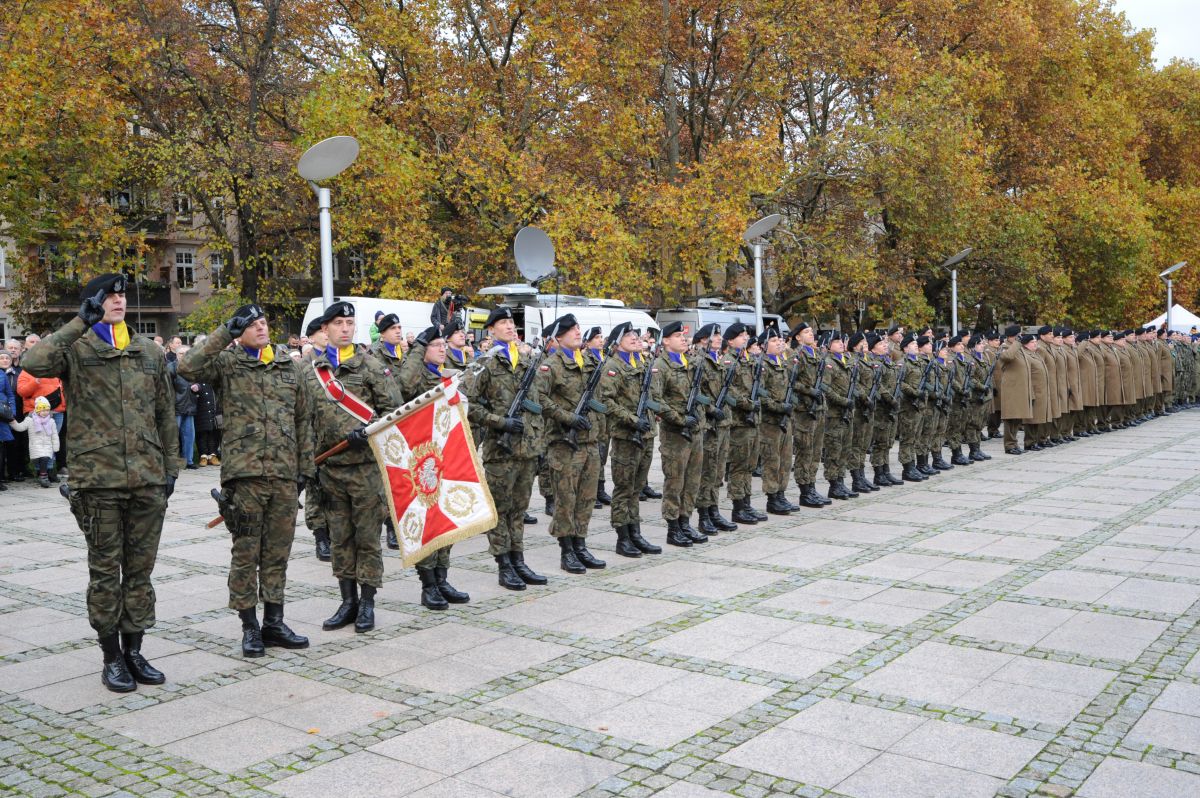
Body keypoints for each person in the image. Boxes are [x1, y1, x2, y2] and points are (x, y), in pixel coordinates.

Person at [23, 273, 179, 693]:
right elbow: (34, 363)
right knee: (106, 571)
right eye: (108, 296)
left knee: (140, 571)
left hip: (146, 478)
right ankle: (111, 656)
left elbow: (165, 412)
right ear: (93, 303)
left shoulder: (148, 350)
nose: (118, 300)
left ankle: (135, 650)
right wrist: (79, 322)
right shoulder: (77, 348)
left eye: (121, 294)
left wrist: (171, 468)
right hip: (97, 481)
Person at [180, 304, 314, 656]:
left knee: (277, 553)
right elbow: (187, 366)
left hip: (284, 475)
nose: (261, 328)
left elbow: (303, 419)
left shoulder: (289, 366)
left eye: (263, 322)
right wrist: (227, 331)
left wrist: (305, 469)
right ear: (241, 332)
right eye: (252, 325)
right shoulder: (228, 363)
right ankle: (249, 626)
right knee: (246, 553)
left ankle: (274, 622)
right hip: (245, 476)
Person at [304, 301, 402, 633]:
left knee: (367, 538)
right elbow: (302, 418)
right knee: (340, 539)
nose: (345, 328)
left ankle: (368, 602)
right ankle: (348, 601)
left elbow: (394, 413)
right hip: (330, 470)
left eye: (349, 323)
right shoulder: (311, 370)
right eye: (338, 323)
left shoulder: (371, 366)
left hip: (365, 469)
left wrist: (369, 432)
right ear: (325, 329)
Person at [464, 306, 552, 588]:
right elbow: (468, 404)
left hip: (526, 449)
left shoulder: (526, 361)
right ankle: (503, 563)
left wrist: (538, 444)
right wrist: (500, 422)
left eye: (511, 322)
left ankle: (518, 559)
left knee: (519, 509)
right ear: (490, 330)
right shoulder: (485, 363)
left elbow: (537, 406)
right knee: (500, 509)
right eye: (503, 323)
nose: (510, 326)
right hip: (500, 451)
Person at [400, 326, 471, 610]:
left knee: (445, 519)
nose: (443, 349)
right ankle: (428, 584)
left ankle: (442, 578)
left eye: (444, 344)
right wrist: (417, 349)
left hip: (447, 457)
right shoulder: (416, 375)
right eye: (436, 345)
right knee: (427, 523)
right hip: (422, 460)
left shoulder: (448, 376)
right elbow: (404, 388)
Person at [538, 314, 606, 573]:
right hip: (565, 443)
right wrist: (568, 418)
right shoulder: (551, 365)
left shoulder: (589, 361)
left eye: (578, 328)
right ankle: (567, 550)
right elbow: (540, 399)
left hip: (590, 441)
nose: (577, 332)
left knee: (586, 498)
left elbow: (599, 399)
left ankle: (580, 544)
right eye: (571, 329)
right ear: (558, 337)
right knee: (566, 499)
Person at [597, 322, 663, 556]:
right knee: (624, 489)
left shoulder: (643, 363)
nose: (635, 338)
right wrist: (632, 420)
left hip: (646, 434)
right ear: (616, 343)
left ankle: (635, 532)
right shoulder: (612, 366)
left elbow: (652, 396)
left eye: (636, 334)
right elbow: (606, 401)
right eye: (628, 335)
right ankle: (622, 537)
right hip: (626, 435)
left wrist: (657, 412)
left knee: (637, 488)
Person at [652, 321, 707, 546]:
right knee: (675, 481)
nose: (683, 339)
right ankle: (673, 527)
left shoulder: (690, 362)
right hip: (675, 434)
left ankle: (685, 521)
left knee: (692, 480)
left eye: (684, 336)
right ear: (666, 341)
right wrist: (680, 419)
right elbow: (656, 400)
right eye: (677, 336)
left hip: (695, 430)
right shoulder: (660, 365)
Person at [696, 323, 738, 532]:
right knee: (707, 471)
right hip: (709, 425)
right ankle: (704, 514)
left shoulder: (718, 360)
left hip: (723, 423)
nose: (720, 338)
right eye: (715, 335)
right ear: (704, 339)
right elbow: (695, 392)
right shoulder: (699, 361)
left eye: (720, 335)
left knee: (718, 471)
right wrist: (711, 409)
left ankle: (714, 510)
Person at [368, 313, 404, 551]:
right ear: (382, 334)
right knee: (386, 481)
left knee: (401, 478)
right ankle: (389, 527)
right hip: (384, 422)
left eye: (400, 327)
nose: (398, 331)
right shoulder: (374, 356)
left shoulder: (405, 355)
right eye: (393, 328)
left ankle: (399, 525)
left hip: (404, 421)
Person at [724, 323, 763, 523]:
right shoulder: (729, 361)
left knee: (749, 465)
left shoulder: (748, 359)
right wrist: (748, 404)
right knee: (739, 466)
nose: (745, 338)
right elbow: (729, 390)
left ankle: (747, 504)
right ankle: (738, 507)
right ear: (730, 341)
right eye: (741, 336)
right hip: (739, 421)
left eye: (746, 335)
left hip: (752, 420)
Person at [757, 327, 799, 513]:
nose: (779, 343)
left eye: (780, 340)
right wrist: (780, 407)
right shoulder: (762, 365)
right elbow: (761, 395)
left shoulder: (782, 363)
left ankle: (781, 494)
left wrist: (790, 404)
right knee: (772, 460)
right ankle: (772, 498)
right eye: (774, 341)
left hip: (785, 420)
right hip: (770, 422)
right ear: (763, 346)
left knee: (785, 460)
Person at [789, 324, 831, 506]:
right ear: (798, 337)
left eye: (811, 331)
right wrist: (809, 390)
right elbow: (792, 381)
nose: (811, 334)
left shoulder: (817, 355)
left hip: (819, 408)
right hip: (804, 410)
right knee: (805, 450)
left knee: (815, 451)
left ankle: (812, 486)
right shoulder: (796, 356)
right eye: (806, 332)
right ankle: (804, 491)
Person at [301, 317, 332, 561]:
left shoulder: (337, 361)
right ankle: (321, 537)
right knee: (314, 490)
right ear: (312, 337)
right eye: (322, 331)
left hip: (336, 436)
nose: (327, 334)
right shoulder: (304, 366)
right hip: (312, 437)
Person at [821, 334, 857, 499]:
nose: (841, 344)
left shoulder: (846, 361)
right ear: (828, 345)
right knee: (834, 450)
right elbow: (826, 388)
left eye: (841, 341)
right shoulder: (828, 363)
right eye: (836, 342)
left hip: (847, 412)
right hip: (834, 413)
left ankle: (841, 481)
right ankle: (834, 484)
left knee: (845, 449)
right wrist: (842, 401)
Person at [8, 396, 58, 487]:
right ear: (37, 410)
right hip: (35, 445)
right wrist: (12, 421)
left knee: (44, 458)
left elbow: (54, 434)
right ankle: (41, 475)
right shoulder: (30, 420)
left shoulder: (51, 421)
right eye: (42, 410)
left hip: (47, 445)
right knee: (39, 461)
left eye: (47, 410)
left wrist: (56, 446)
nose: (45, 412)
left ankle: (43, 478)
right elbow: (20, 427)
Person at [170, 353, 199, 469]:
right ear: (176, 354)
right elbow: (167, 386)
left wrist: (198, 386)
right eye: (181, 353)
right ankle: (172, 462)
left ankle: (188, 461)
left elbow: (202, 381)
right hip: (176, 406)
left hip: (190, 406)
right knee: (172, 437)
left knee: (189, 436)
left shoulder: (194, 366)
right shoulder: (171, 367)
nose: (184, 355)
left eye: (186, 353)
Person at [0, 354, 15, 489]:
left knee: (1, 448)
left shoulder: (2, 374)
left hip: (2, 415)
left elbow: (10, 395)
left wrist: (12, 412)